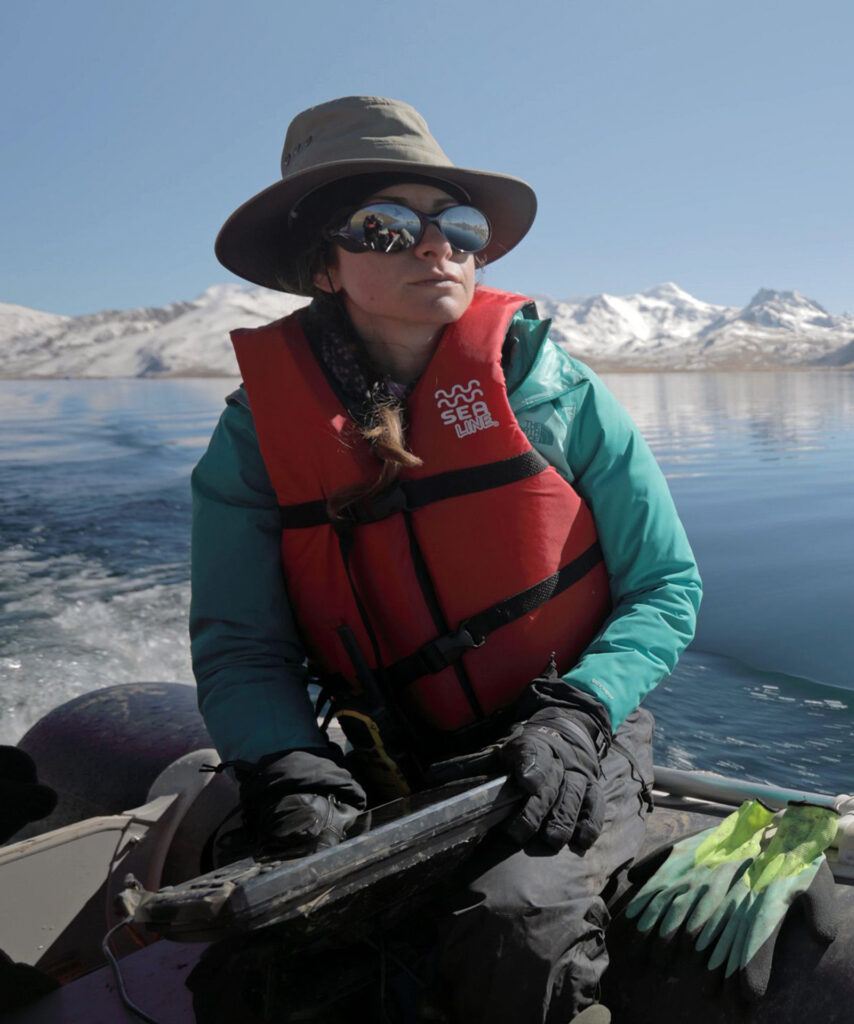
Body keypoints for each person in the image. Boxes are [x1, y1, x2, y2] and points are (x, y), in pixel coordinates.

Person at [191, 96, 701, 1024]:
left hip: (574, 735)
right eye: (386, 227)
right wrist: (291, 768)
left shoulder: (555, 391)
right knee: (259, 962)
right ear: (325, 264)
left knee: (515, 928)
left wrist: (580, 715)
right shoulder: (256, 436)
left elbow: (666, 586)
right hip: (388, 753)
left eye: (458, 227)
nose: (438, 248)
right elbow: (241, 642)